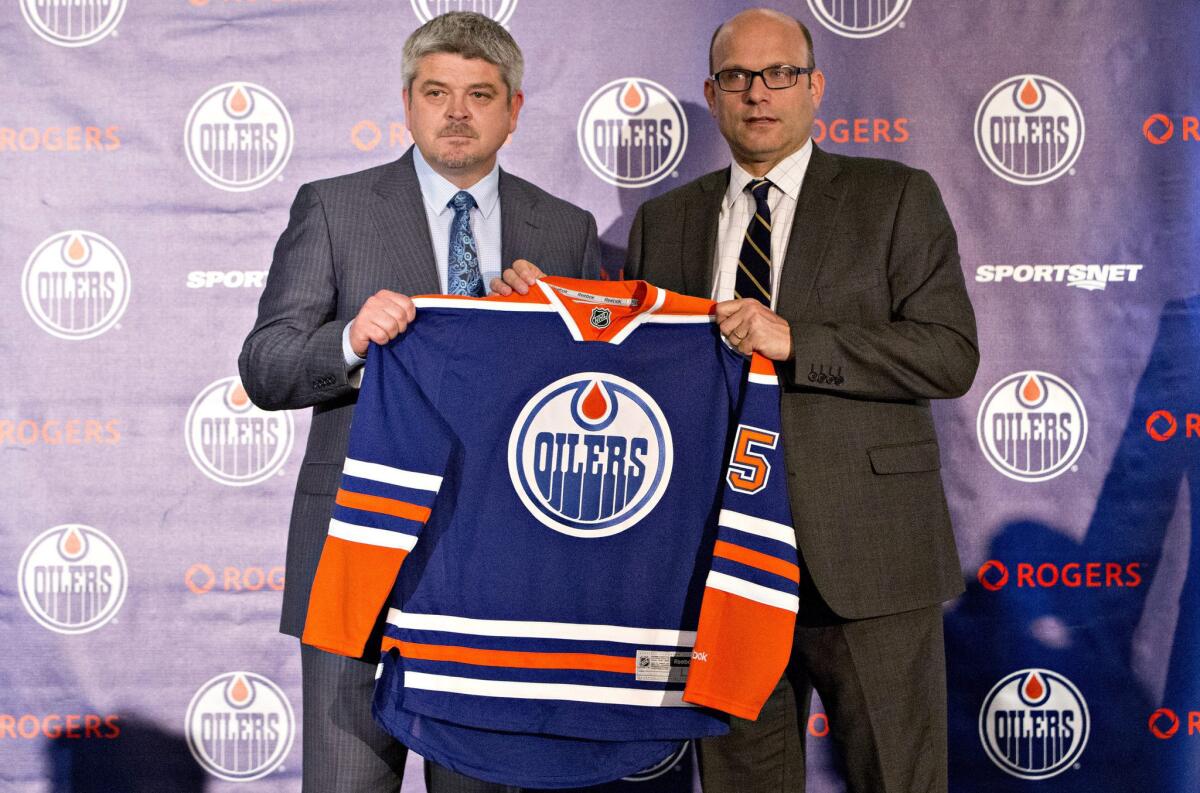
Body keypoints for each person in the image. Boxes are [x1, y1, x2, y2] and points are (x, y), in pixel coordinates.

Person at [495, 8, 977, 792]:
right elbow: (631, 362)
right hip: (719, 563)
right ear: (712, 96)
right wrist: (541, 305)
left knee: (897, 776)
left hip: (870, 558)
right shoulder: (666, 220)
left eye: (779, 73)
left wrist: (799, 340)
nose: (759, 93)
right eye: (737, 78)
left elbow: (949, 353)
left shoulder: (893, 197)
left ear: (815, 87)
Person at [239, 12, 600, 793]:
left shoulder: (567, 230)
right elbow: (265, 367)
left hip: (500, 576)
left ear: (514, 110)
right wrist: (347, 341)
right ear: (408, 104)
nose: (457, 112)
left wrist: (557, 331)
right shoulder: (334, 208)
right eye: (437, 92)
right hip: (354, 560)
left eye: (479, 94)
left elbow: (591, 402)